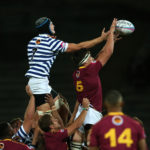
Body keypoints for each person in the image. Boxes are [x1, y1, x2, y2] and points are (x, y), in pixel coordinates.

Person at [25, 16, 110, 113]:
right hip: (39, 85)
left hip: (39, 82)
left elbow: (42, 54)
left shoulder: (32, 42)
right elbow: (79, 47)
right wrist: (101, 39)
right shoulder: (50, 42)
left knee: (62, 107)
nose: (54, 25)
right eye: (51, 24)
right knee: (46, 124)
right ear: (47, 27)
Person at [69, 18, 118, 149]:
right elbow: (108, 52)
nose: (92, 57)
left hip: (81, 110)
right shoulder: (90, 70)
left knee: (78, 137)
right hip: (91, 111)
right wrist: (111, 32)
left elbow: (98, 58)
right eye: (89, 56)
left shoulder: (77, 73)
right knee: (94, 140)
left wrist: (110, 41)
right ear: (85, 61)